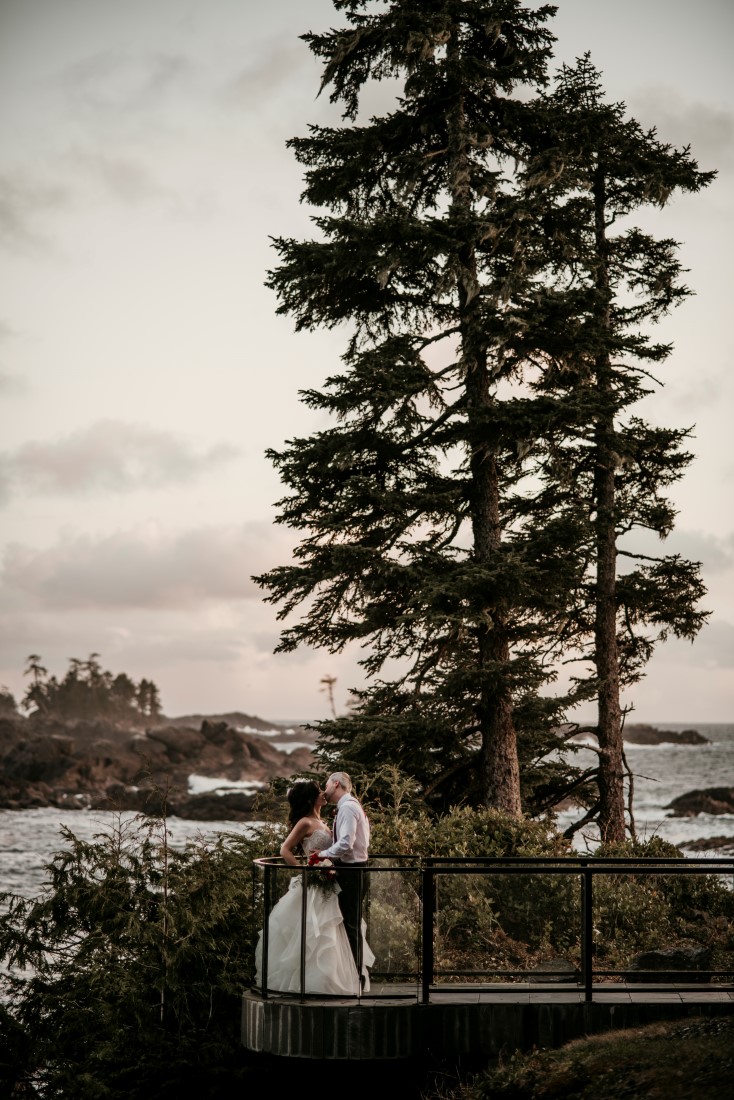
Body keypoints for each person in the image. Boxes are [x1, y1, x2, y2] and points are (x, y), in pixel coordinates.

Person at [254, 779, 373, 995]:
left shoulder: (325, 822)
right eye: (319, 792)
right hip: (313, 884)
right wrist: (305, 871)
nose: (323, 794)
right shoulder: (305, 823)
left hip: (329, 883)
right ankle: (309, 984)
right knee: (314, 933)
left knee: (333, 931)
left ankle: (333, 980)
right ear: (311, 799)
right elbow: (285, 850)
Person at [317, 771, 371, 980]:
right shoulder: (351, 806)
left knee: (350, 923)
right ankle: (352, 973)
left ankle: (356, 976)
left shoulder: (348, 808)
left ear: (336, 784)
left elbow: (346, 843)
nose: (325, 789)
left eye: (327, 785)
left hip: (352, 872)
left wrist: (321, 855)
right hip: (354, 870)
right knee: (350, 922)